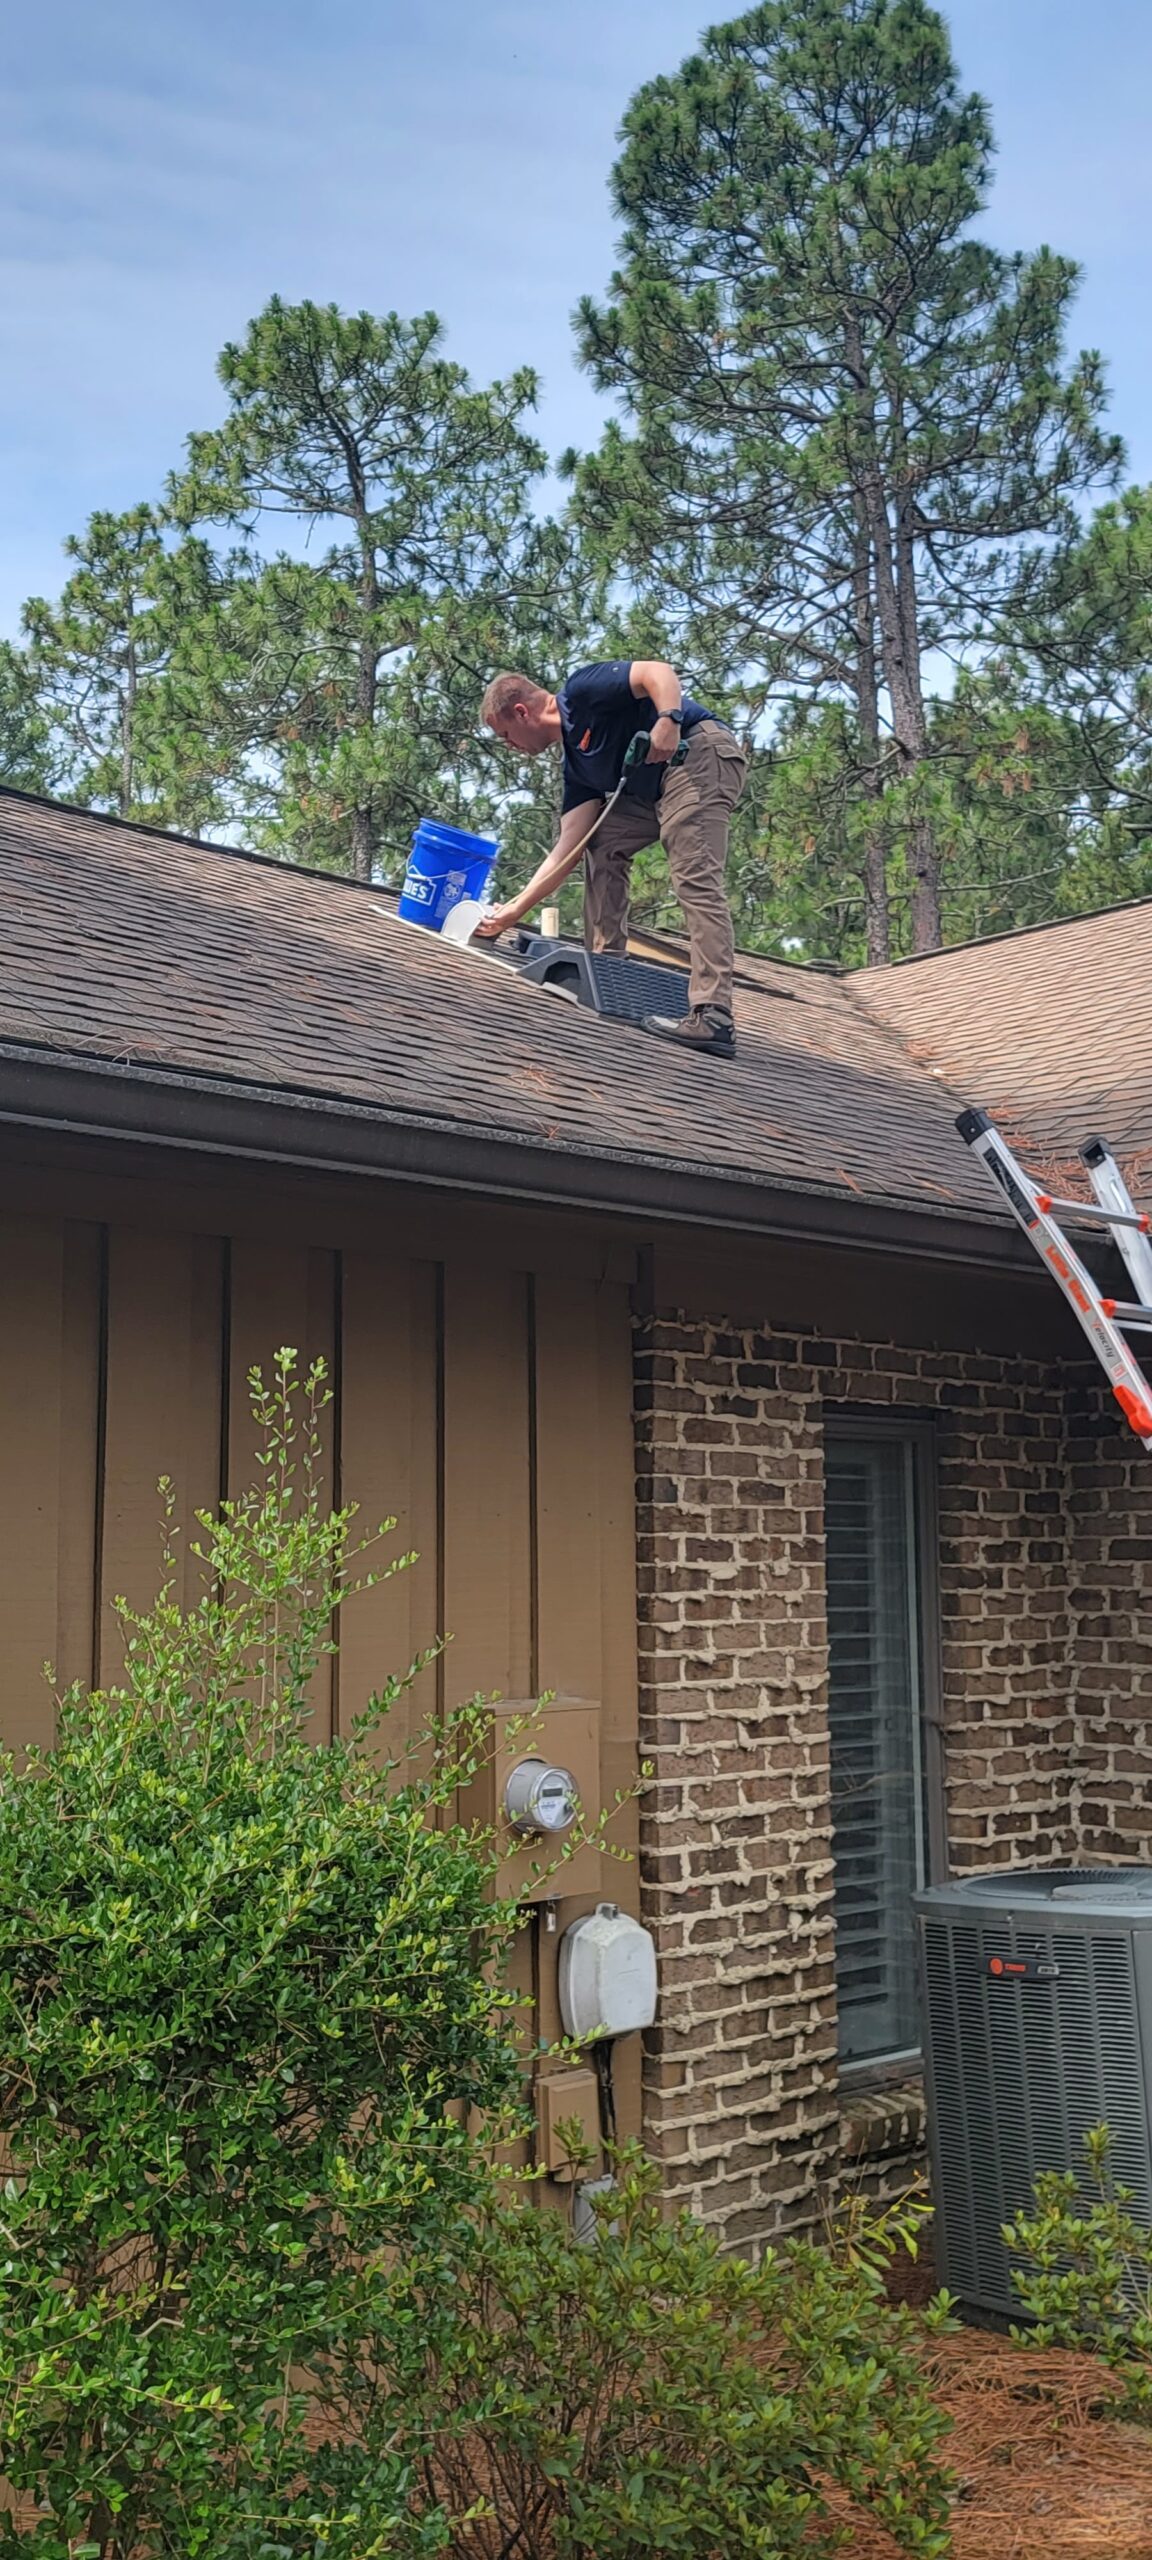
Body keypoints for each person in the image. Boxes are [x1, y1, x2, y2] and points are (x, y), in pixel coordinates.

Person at [478, 659, 747, 1059]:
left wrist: (668, 719)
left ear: (521, 712)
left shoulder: (582, 692)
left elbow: (658, 672)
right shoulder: (578, 771)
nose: (510, 746)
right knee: (600, 841)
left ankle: (713, 1015)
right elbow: (569, 847)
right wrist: (512, 911)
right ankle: (607, 970)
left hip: (698, 753)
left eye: (506, 735)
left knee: (694, 875)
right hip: (655, 790)